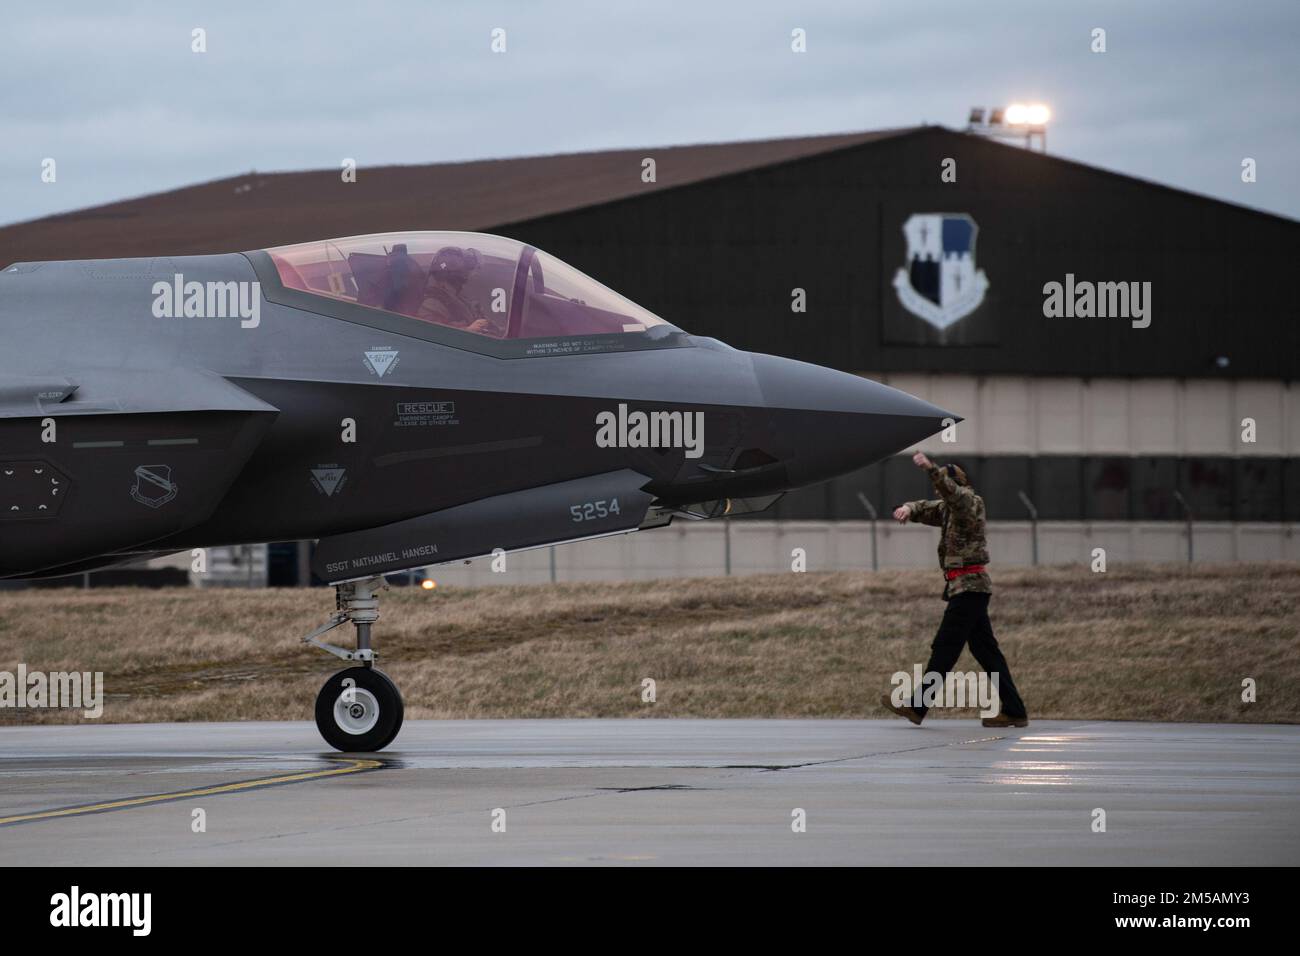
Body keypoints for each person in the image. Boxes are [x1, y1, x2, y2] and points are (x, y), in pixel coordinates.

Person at [881, 451, 1029, 728]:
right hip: (965, 589)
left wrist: (929, 468)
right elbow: (926, 507)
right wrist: (907, 508)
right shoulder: (949, 509)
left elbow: (952, 495)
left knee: (944, 648)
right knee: (987, 653)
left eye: (943, 486)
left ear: (957, 485)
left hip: (969, 588)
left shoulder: (969, 503)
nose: (940, 491)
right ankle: (1015, 710)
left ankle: (916, 707)